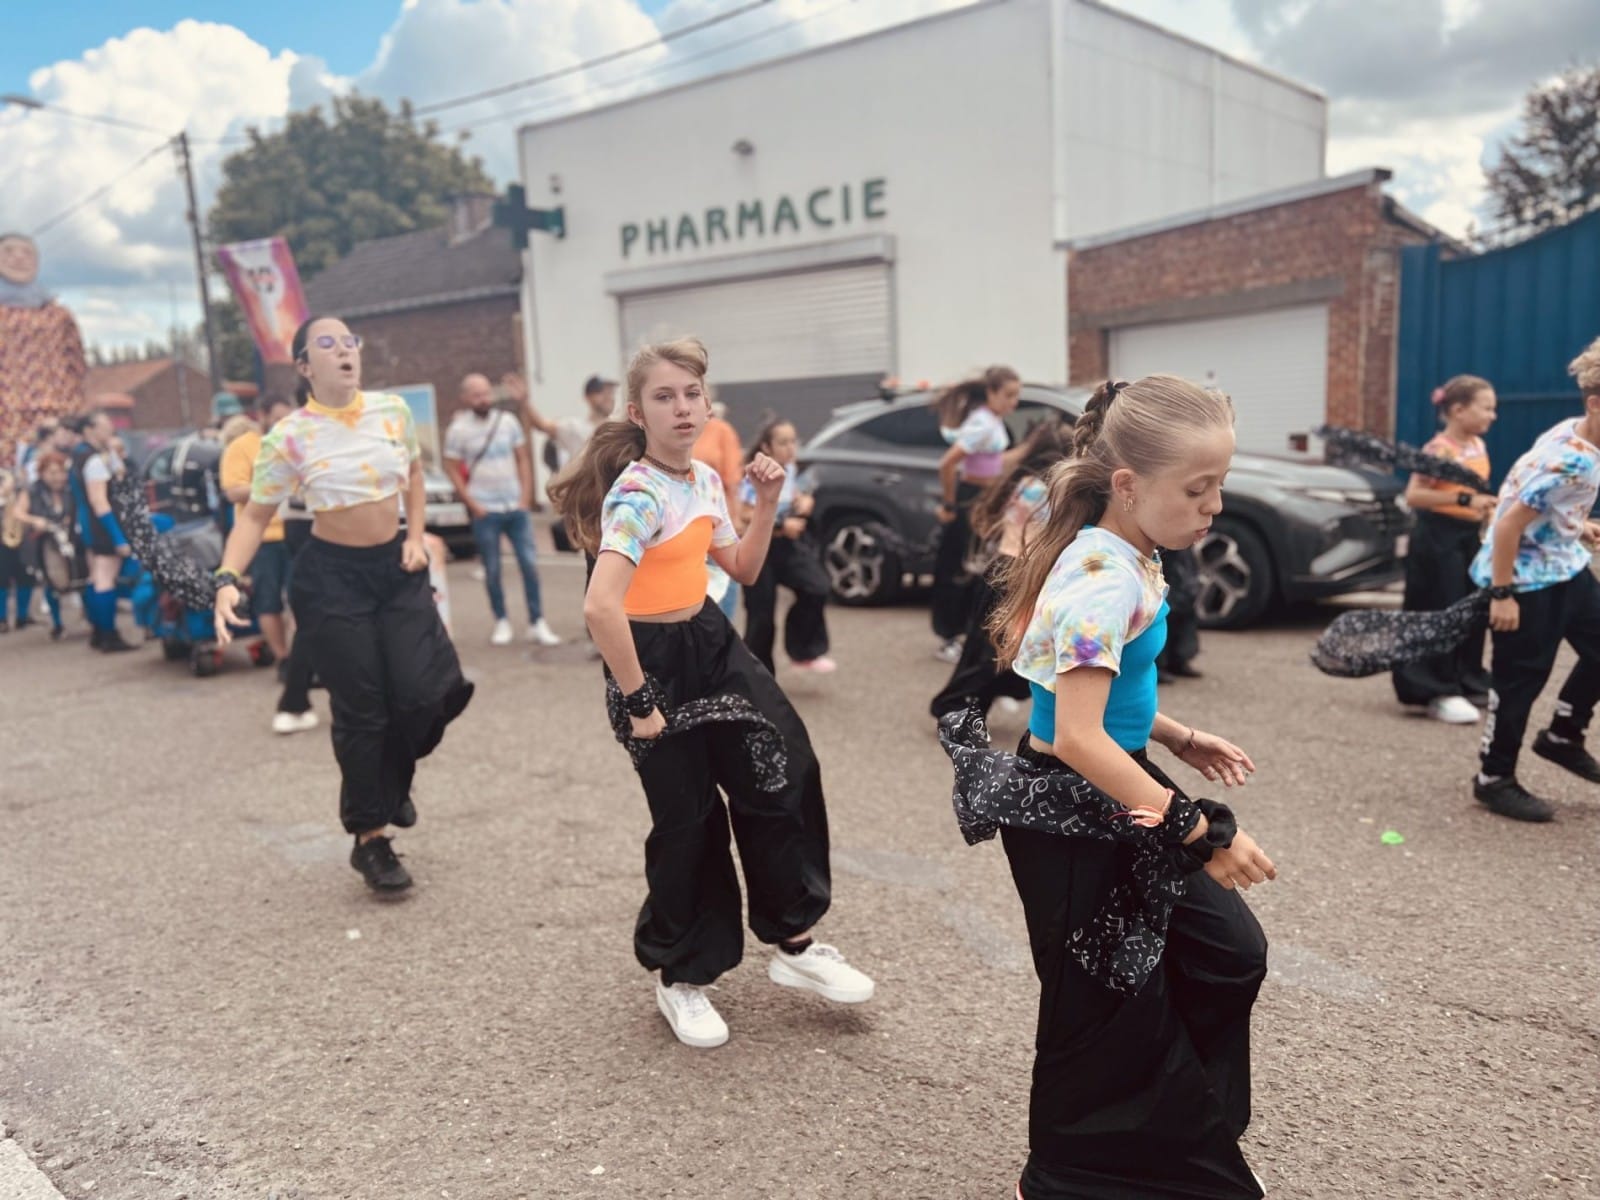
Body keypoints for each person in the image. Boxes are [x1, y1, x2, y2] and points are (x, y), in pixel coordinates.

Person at [970, 376, 1275, 1200]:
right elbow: (1072, 735)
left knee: (1226, 956)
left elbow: (1089, 691)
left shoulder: (1132, 551)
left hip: (1121, 770)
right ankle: (1069, 1178)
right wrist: (1202, 831)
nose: (1214, 507)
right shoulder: (1103, 574)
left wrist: (1174, 734)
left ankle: (1177, 1127)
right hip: (1073, 802)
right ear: (1130, 485)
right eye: (1198, 489)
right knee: (1102, 998)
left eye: (1220, 484)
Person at [550, 336, 872, 1051]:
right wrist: (640, 703)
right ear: (638, 413)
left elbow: (743, 569)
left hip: (710, 640)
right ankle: (681, 977)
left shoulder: (700, 479)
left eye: (691, 394)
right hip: (648, 664)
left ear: (706, 402)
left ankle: (794, 942)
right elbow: (601, 607)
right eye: (664, 397)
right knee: (690, 821)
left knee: (782, 767)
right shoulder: (637, 492)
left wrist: (767, 501)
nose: (682, 408)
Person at [213, 316, 474, 892]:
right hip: (331, 578)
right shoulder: (289, 436)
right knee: (361, 711)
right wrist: (227, 576)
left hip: (396, 569)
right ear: (305, 366)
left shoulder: (392, 412)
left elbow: (412, 474)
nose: (344, 350)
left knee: (426, 689)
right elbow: (255, 516)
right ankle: (371, 838)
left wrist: (414, 536)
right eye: (326, 344)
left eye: (349, 341)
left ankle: (389, 780)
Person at [1471, 338, 1600, 822]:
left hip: (1565, 565)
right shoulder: (1574, 461)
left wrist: (1575, 526)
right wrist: (1502, 594)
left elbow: (1537, 500)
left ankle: (1563, 735)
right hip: (1525, 581)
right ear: (1595, 403)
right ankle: (1493, 778)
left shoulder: (1575, 433)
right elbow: (1507, 523)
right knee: (1520, 681)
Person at [930, 418, 1072, 721]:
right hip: (1017, 573)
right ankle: (952, 705)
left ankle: (969, 710)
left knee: (988, 647)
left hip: (1000, 569)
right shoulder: (1046, 491)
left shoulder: (1024, 483)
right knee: (996, 650)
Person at [1391, 376, 1499, 723]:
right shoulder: (1438, 450)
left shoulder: (1478, 445)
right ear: (1458, 410)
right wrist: (1465, 499)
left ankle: (1467, 679)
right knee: (1442, 608)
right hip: (1437, 539)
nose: (1493, 415)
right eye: (1486, 408)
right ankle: (1435, 690)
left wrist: (1486, 508)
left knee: (1472, 609)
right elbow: (1414, 495)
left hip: (1468, 537)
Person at [220, 394, 319, 734]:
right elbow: (233, 491)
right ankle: (283, 658)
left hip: (300, 531)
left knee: (302, 601)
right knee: (268, 600)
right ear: (261, 416)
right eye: (277, 417)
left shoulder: (298, 443)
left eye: (287, 417)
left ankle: (306, 663)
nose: (283, 423)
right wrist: (274, 487)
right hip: (263, 537)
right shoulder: (243, 447)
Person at [443, 373, 560, 647]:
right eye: (476, 395)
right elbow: (451, 468)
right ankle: (502, 620)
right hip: (485, 509)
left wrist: (526, 496)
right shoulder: (458, 430)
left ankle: (537, 621)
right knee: (492, 568)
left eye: (486, 393)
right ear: (465, 398)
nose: (483, 399)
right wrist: (472, 504)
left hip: (515, 506)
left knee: (529, 565)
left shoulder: (507, 422)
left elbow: (522, 458)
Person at [932, 366, 1021, 662]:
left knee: (979, 566)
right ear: (991, 393)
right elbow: (948, 463)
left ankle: (969, 635)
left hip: (986, 500)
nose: (1013, 403)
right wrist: (949, 503)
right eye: (1008, 395)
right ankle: (950, 637)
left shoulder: (992, 420)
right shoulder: (981, 423)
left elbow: (995, 461)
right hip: (971, 499)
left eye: (1016, 396)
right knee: (962, 566)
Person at [737, 416, 834, 675]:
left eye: (793, 441)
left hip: (787, 547)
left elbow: (794, 495)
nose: (791, 448)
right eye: (783, 442)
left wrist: (804, 501)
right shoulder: (754, 474)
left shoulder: (789, 469)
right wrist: (781, 525)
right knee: (761, 617)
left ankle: (804, 651)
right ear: (766, 447)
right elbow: (743, 515)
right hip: (759, 550)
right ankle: (759, 677)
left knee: (817, 587)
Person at [67, 410, 137, 652]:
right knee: (105, 577)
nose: (110, 428)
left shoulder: (81, 455)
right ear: (89, 429)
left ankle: (99, 632)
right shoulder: (93, 459)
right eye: (105, 425)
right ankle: (108, 635)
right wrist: (117, 536)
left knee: (96, 577)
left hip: (86, 525)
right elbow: (99, 501)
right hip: (100, 526)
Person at [12, 449, 76, 639]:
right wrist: (36, 520)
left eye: (61, 472)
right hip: (43, 543)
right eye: (53, 473)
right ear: (42, 473)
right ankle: (57, 623)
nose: (58, 477)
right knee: (51, 581)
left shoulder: (69, 489)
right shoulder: (33, 490)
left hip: (69, 540)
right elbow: (18, 512)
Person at [694, 395, 745, 620]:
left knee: (723, 582)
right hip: (685, 521)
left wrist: (736, 518)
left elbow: (733, 479)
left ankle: (724, 632)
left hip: (717, 519)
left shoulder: (722, 431)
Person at [0, 467, 34, 631]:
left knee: (26, 576)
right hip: (2, 541)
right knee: (1, 579)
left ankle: (23, 616)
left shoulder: (17, 479)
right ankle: (1, 618)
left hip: (22, 538)